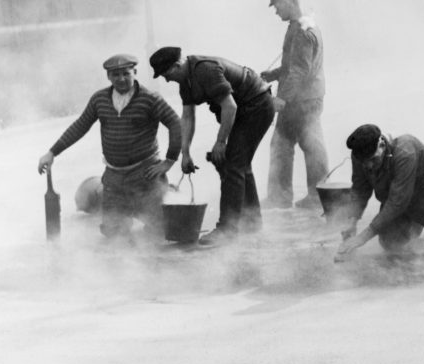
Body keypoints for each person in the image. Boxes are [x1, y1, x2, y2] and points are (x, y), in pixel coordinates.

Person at [37, 54, 181, 241]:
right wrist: (52, 152)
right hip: (114, 176)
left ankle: (165, 192)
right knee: (114, 233)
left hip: (145, 174)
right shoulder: (99, 99)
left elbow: (175, 123)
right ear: (108, 77)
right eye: (115, 74)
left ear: (134, 72)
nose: (121, 79)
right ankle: (120, 205)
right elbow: (80, 126)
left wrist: (169, 161)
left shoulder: (150, 98)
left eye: (125, 73)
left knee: (158, 230)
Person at [150, 47, 275, 245]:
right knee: (240, 164)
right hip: (242, 112)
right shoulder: (186, 82)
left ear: (177, 65)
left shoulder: (204, 69)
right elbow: (188, 117)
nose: (166, 80)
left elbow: (230, 106)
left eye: (167, 74)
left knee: (232, 164)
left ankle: (227, 230)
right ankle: (252, 221)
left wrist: (220, 141)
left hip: (257, 106)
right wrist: (185, 153)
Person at [334, 125, 424, 260]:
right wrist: (352, 220)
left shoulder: (404, 152)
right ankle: (415, 225)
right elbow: (360, 188)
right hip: (401, 193)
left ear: (382, 144)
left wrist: (363, 237)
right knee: (390, 243)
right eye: (364, 162)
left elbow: (396, 203)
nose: (369, 166)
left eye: (373, 160)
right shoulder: (359, 155)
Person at [260, 0, 329, 209]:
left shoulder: (301, 30)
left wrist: (282, 98)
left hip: (301, 100)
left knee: (297, 145)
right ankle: (314, 195)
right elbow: (292, 66)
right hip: (303, 98)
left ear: (288, 1)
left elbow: (300, 70)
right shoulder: (301, 26)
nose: (276, 11)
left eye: (277, 5)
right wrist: (271, 75)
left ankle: (309, 196)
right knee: (298, 145)